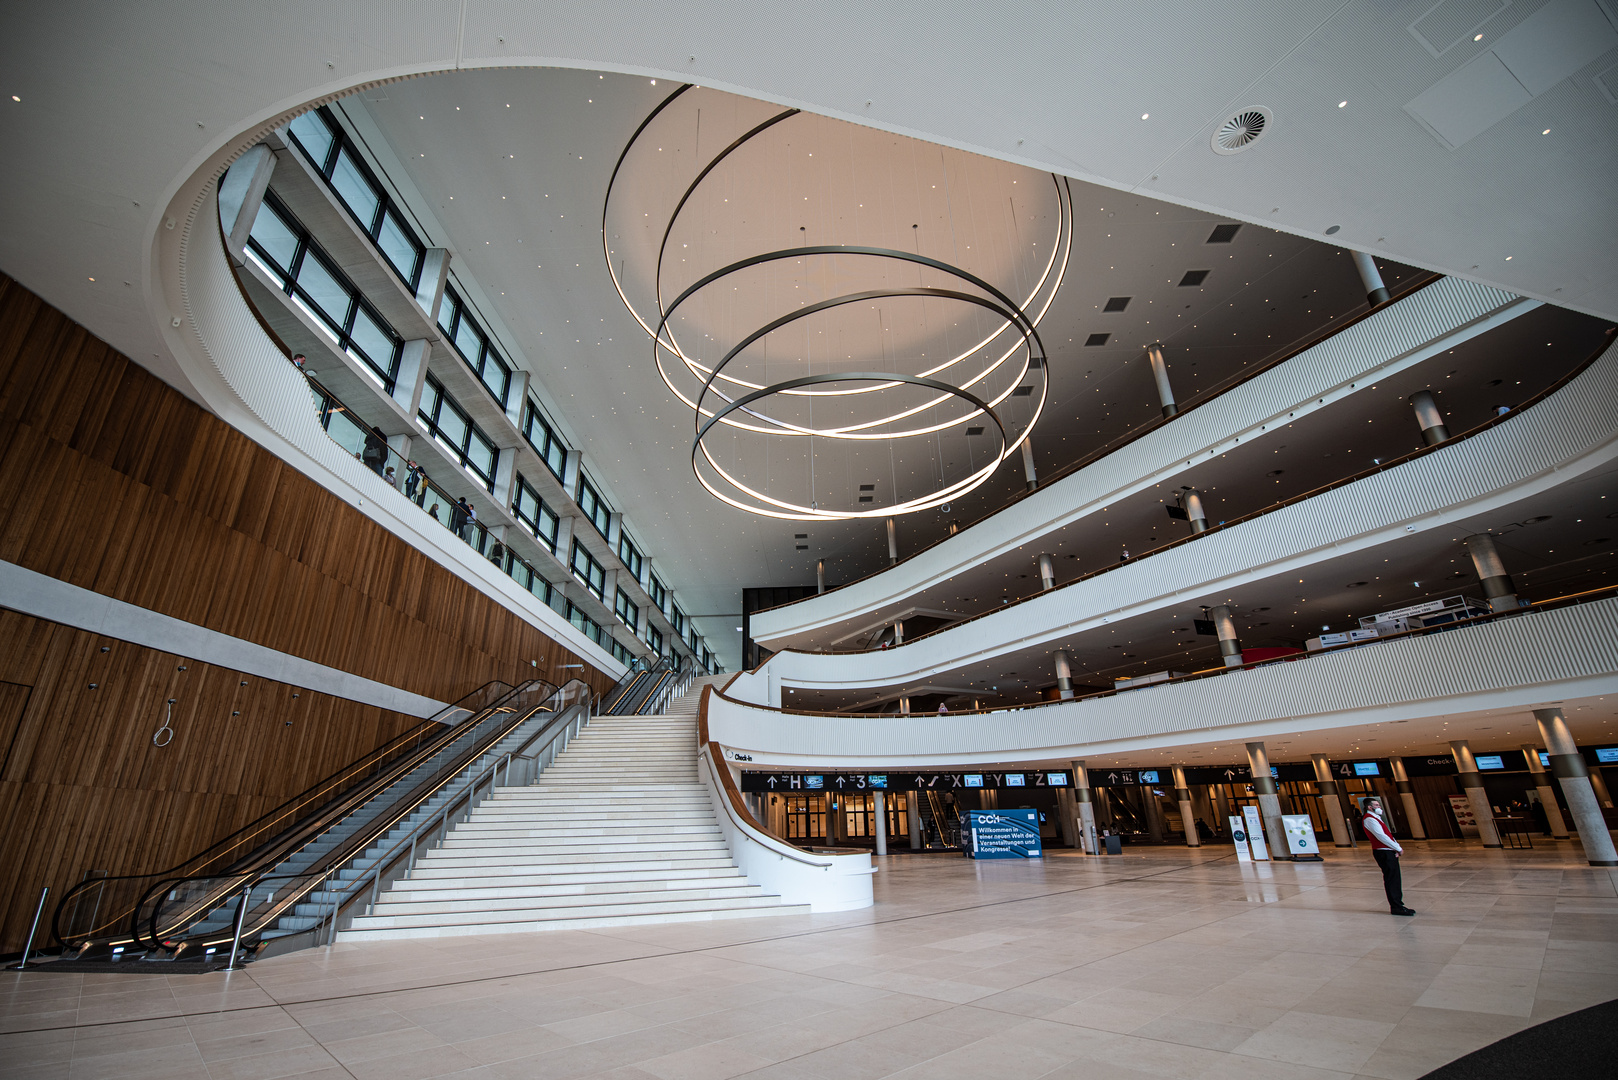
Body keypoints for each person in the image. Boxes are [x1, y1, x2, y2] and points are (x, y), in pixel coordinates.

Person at [1362, 797, 1415, 916]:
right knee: (1392, 879)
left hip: (1387, 851)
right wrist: (1398, 848)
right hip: (1383, 852)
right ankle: (1396, 907)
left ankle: (1399, 905)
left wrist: (1395, 847)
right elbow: (1381, 836)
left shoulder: (1376, 818)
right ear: (1370, 807)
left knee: (1395, 878)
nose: (1379, 807)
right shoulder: (1370, 819)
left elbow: (1388, 835)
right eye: (1377, 805)